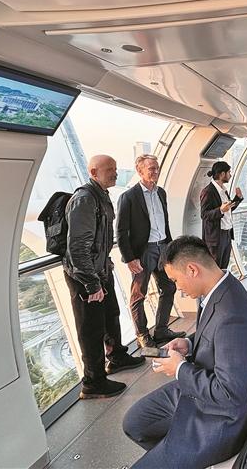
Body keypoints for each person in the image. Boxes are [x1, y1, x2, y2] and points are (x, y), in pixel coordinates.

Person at [122, 236, 247, 469]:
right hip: (197, 388)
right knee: (134, 423)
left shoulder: (234, 314)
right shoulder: (219, 290)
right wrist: (189, 343)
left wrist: (179, 369)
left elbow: (230, 394)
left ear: (192, 270)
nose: (178, 288)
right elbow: (217, 335)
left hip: (219, 416)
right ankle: (173, 450)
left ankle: (175, 451)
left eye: (175, 280)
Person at [64, 155, 145, 399]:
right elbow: (77, 247)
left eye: (115, 168)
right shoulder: (84, 199)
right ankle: (93, 382)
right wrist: (91, 284)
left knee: (111, 315)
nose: (115, 173)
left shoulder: (101, 195)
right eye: (110, 169)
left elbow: (99, 239)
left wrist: (105, 266)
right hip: (85, 277)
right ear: (93, 172)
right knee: (91, 329)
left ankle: (116, 356)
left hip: (100, 270)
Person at [117, 154, 185, 349]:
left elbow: (164, 222)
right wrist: (129, 258)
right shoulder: (129, 197)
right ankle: (142, 335)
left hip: (163, 247)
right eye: (151, 168)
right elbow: (121, 231)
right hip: (143, 251)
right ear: (140, 171)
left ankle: (161, 329)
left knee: (169, 288)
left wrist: (170, 249)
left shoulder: (161, 193)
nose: (156, 171)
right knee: (139, 294)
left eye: (157, 167)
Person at [200, 161, 244, 269]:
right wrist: (220, 210)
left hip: (226, 233)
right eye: (229, 172)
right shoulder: (208, 191)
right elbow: (204, 214)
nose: (230, 175)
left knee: (224, 266)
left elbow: (227, 209)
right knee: (215, 268)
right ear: (222, 174)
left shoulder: (223, 190)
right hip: (216, 237)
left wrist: (237, 198)